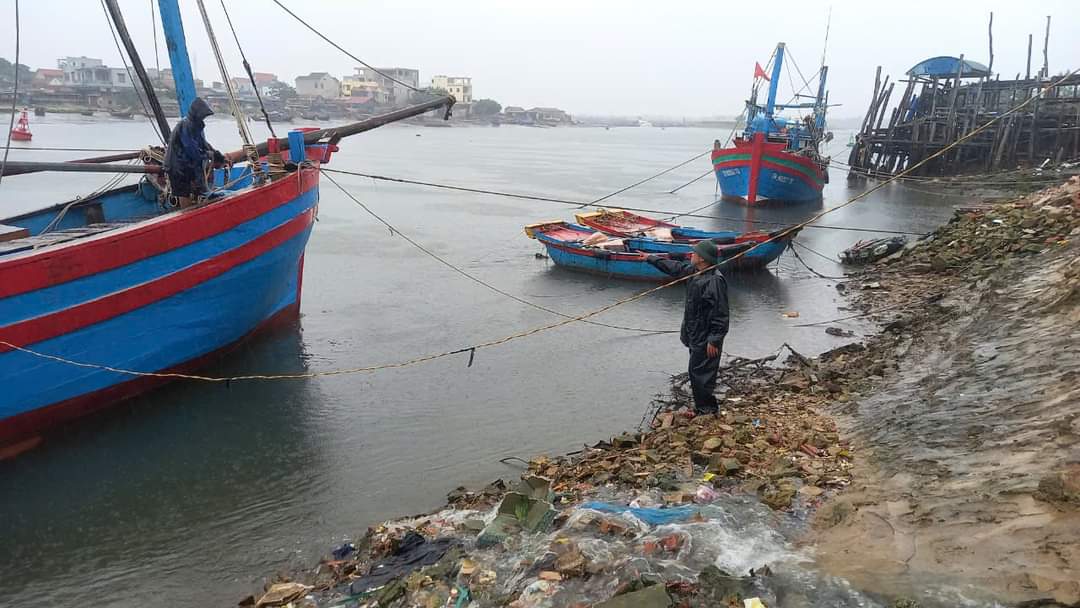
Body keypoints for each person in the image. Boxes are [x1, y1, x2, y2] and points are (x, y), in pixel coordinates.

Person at [646, 240, 730, 415]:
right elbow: (675, 267)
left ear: (702, 259)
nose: (691, 255)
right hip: (695, 335)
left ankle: (707, 410)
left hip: (707, 338)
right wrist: (651, 258)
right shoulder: (694, 272)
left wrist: (714, 340)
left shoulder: (714, 281)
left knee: (702, 374)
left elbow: (720, 314)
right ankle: (703, 407)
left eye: (694, 253)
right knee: (696, 372)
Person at [162, 97, 226, 209]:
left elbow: (204, 144)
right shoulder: (185, 126)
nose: (204, 118)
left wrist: (216, 154)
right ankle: (185, 214)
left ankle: (204, 198)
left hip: (188, 165)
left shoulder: (197, 126)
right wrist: (209, 155)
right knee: (183, 191)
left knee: (199, 185)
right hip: (176, 166)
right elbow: (192, 151)